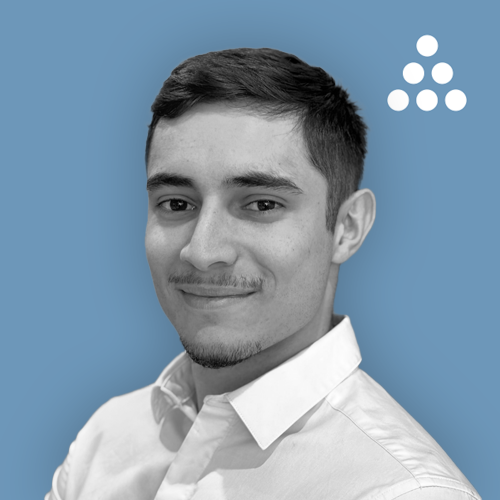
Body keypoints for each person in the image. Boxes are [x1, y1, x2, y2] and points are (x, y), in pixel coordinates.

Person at [46, 48, 481, 500]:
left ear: (347, 228)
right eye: (176, 203)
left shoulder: (406, 491)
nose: (202, 252)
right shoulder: (106, 440)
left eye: (261, 204)